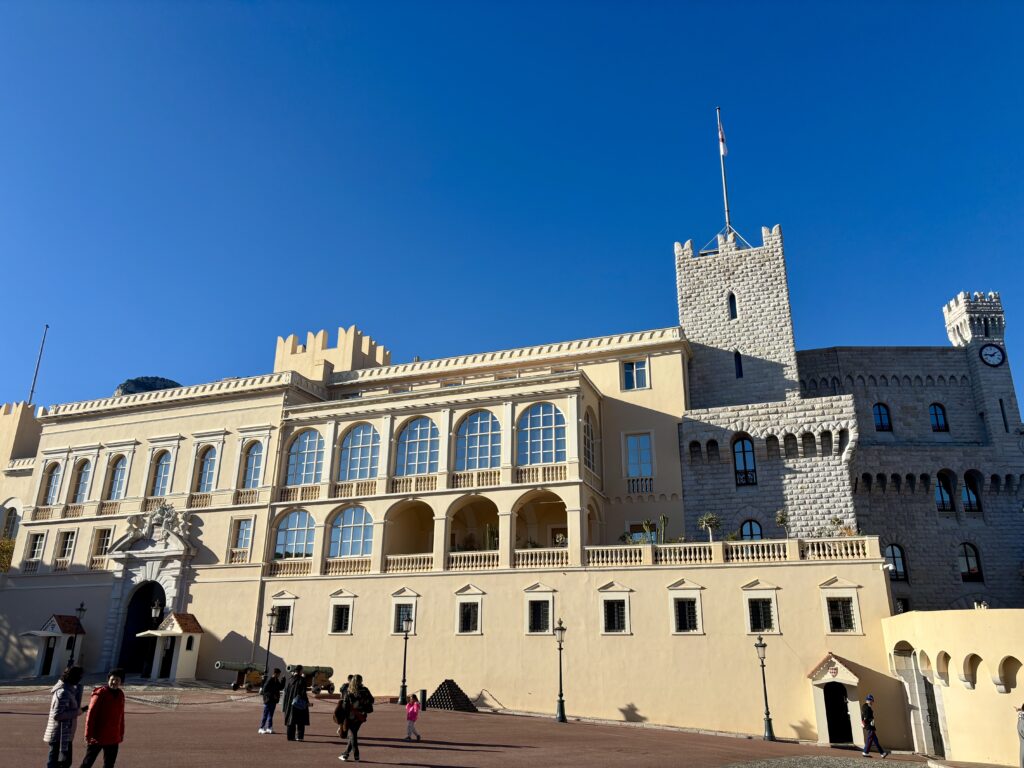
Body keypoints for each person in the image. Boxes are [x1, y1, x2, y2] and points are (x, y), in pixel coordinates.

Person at [80, 668, 126, 768]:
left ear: (121, 682)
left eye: (117, 680)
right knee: (88, 762)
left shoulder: (121, 695)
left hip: (113, 736)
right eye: (112, 679)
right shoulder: (100, 693)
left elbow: (121, 716)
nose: (114, 682)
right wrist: (88, 734)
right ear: (108, 679)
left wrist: (121, 733)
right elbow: (91, 714)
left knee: (109, 764)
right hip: (98, 736)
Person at [43, 665, 84, 768]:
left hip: (64, 733)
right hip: (59, 733)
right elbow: (57, 715)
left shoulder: (68, 690)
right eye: (79, 676)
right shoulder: (63, 692)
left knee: (62, 762)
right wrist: (77, 712)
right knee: (58, 763)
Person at [339, 674, 374, 762]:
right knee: (353, 734)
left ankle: (356, 755)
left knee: (353, 735)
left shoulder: (350, 692)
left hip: (351, 716)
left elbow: (345, 706)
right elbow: (372, 700)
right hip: (361, 715)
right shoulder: (365, 690)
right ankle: (345, 754)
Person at [282, 666, 311, 742]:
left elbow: (286, 692)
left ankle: (290, 736)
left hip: (289, 703)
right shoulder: (302, 680)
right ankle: (299, 736)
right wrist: (307, 702)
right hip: (299, 703)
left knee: (291, 720)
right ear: (300, 671)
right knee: (300, 720)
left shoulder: (290, 680)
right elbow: (303, 693)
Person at [861, 694, 890, 758]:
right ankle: (865, 752)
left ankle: (882, 753)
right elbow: (866, 716)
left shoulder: (866, 706)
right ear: (868, 700)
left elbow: (864, 716)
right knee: (869, 739)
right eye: (871, 700)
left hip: (871, 725)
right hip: (870, 725)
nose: (872, 702)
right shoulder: (866, 707)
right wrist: (864, 722)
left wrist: (863, 722)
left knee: (875, 740)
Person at [258, 668, 284, 735]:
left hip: (273, 701)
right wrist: (272, 695)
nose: (279, 675)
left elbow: (280, 687)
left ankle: (269, 728)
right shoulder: (270, 680)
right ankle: (261, 728)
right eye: (278, 674)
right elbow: (265, 690)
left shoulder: (276, 680)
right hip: (268, 700)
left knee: (271, 714)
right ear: (275, 673)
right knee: (265, 714)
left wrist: (283, 680)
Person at [1015, 703, 1024, 768]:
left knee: (1022, 746)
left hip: (1020, 723)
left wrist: (1019, 709)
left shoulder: (1021, 712)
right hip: (1022, 724)